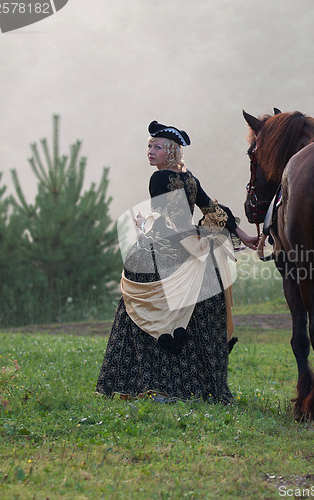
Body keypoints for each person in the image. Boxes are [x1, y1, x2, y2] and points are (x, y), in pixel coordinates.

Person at [96, 120, 258, 403]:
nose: (150, 151)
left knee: (142, 313)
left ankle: (155, 385)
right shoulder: (191, 179)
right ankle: (200, 387)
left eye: (157, 147)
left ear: (170, 152)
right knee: (195, 320)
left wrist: (143, 222)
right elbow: (213, 210)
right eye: (149, 146)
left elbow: (165, 219)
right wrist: (244, 236)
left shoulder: (158, 179)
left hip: (166, 249)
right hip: (194, 248)